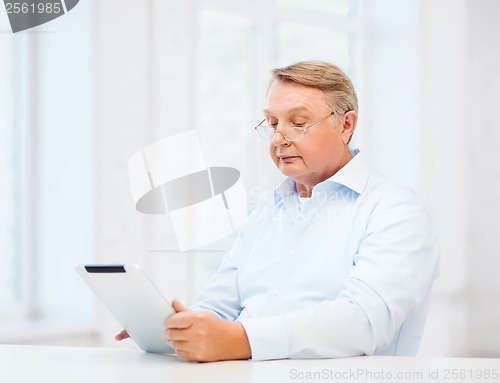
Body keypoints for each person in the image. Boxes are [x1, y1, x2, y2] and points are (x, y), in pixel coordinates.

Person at [116, 61, 440, 362]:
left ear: (346, 125)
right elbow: (220, 304)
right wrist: (182, 329)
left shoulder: (396, 211)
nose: (278, 138)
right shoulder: (267, 211)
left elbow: (366, 322)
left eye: (298, 123)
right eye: (272, 123)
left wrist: (241, 340)